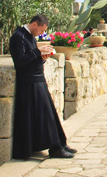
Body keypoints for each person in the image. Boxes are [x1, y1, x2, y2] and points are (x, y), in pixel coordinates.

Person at [10, 14, 77, 159]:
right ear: (35, 24)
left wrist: (42, 58)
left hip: (37, 80)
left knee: (50, 114)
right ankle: (55, 148)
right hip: (29, 83)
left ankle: (60, 143)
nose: (41, 33)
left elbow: (31, 58)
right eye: (41, 30)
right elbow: (20, 61)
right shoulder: (18, 36)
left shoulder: (29, 37)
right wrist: (38, 52)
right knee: (45, 116)